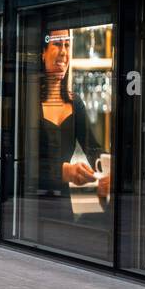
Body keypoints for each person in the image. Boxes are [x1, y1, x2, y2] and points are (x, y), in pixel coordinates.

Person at [35, 28, 110, 213]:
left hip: (62, 205)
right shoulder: (28, 102)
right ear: (42, 54)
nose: (63, 52)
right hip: (30, 204)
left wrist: (107, 173)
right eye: (57, 44)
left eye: (67, 45)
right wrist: (65, 171)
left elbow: (93, 149)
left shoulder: (75, 103)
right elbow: (24, 165)